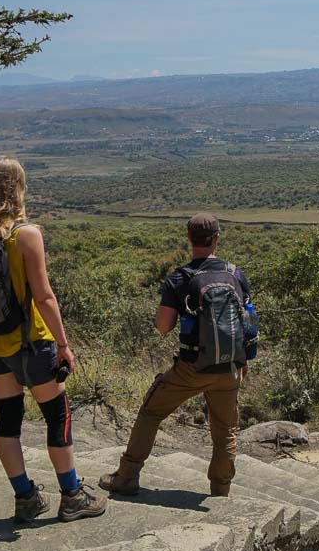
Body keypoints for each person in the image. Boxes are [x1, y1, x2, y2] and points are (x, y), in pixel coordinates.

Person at [0, 156, 106, 523]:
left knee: (7, 421)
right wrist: (64, 344)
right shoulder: (25, 235)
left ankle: (25, 498)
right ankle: (71, 496)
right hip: (32, 344)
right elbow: (44, 297)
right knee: (57, 418)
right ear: (19, 189)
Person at [100, 213, 257, 497]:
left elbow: (163, 327)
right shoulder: (236, 275)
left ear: (189, 239)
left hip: (192, 369)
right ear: (217, 238)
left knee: (151, 412)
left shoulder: (180, 278)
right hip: (230, 369)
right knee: (225, 430)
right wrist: (243, 360)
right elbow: (246, 321)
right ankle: (221, 490)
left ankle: (126, 477)